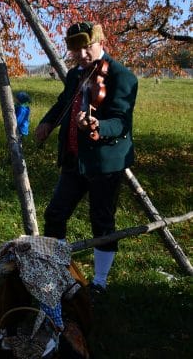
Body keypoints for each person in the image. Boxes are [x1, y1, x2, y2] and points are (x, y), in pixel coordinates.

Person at [35, 21, 137, 299]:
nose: (81, 54)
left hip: (105, 162)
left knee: (102, 220)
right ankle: (59, 272)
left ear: (100, 42)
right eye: (75, 49)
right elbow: (62, 103)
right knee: (55, 214)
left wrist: (96, 125)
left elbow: (120, 122)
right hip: (73, 159)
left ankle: (100, 281)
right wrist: (48, 122)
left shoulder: (121, 76)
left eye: (86, 47)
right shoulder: (74, 75)